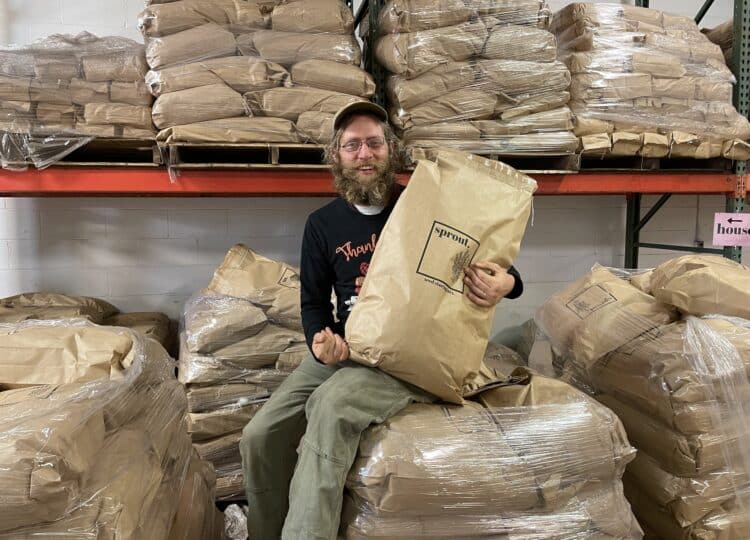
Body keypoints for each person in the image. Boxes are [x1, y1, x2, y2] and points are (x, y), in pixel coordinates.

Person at [240, 102, 524, 540]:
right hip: (349, 348)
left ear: (391, 150)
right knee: (260, 435)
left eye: (374, 143)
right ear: (336, 156)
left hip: (408, 356)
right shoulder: (322, 225)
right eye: (352, 146)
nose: (364, 154)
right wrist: (320, 340)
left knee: (331, 407)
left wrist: (507, 282)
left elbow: (497, 260)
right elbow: (313, 304)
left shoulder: (424, 205)